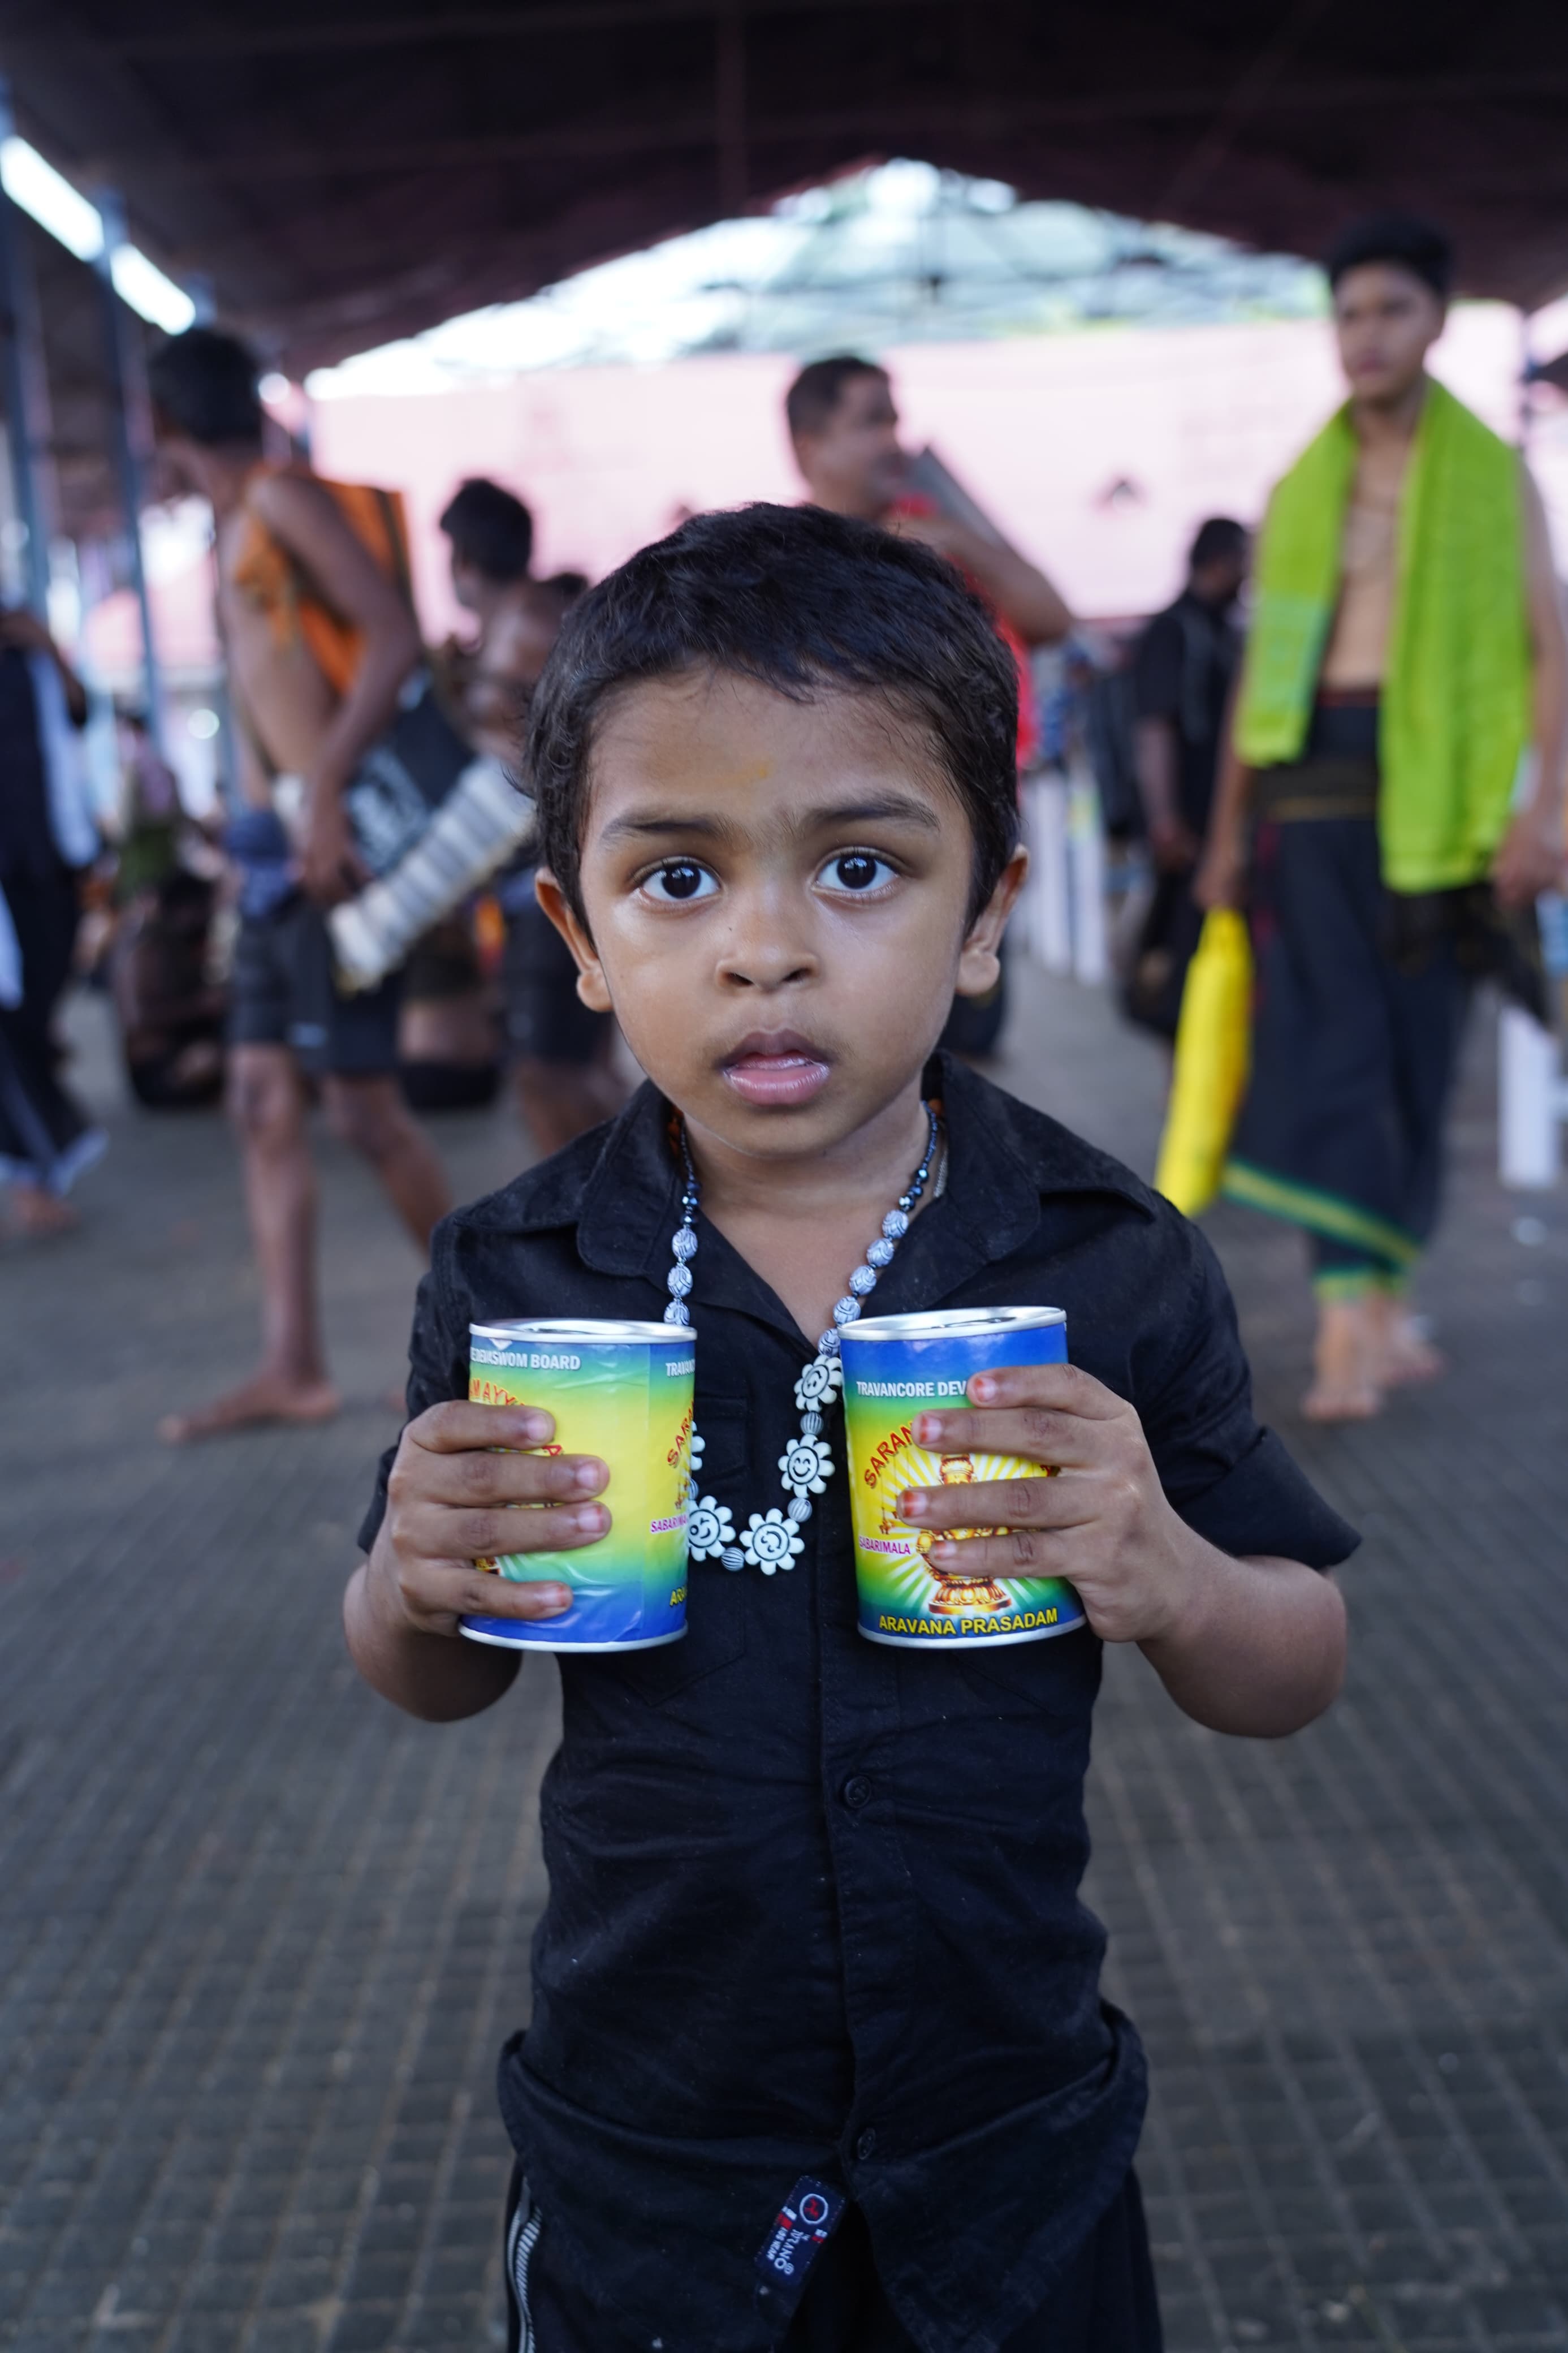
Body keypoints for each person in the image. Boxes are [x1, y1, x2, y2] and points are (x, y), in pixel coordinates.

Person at [347, 504, 1355, 2353]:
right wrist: (409, 1587)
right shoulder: (516, 1273)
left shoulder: (1105, 1263)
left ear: (987, 914)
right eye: (676, 880)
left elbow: (1293, 1659)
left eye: (862, 871)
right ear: (573, 930)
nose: (765, 951)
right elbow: (433, 1677)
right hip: (644, 2143)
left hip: (1009, 2141)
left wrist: (1171, 1575)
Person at [1196, 214, 1568, 1421]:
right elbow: (1262, 675)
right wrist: (1219, 834)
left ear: (1436, 323)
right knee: (1329, 1048)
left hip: (1439, 802)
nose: (1366, 336)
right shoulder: (1304, 483)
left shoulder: (1487, 473)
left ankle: (1384, 1302)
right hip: (1309, 792)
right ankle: (1348, 1319)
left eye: (1391, 311)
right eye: (1350, 314)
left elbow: (1548, 646)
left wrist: (1544, 813)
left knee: (1415, 1049)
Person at [147, 327, 451, 1442]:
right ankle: (293, 1364)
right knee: (262, 1100)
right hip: (278, 865)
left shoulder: (280, 500)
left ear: (162, 428)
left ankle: (498, 1335)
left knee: (366, 1109)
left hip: (335, 851)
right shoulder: (240, 524)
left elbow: (393, 637)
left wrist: (321, 788)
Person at [455, 559, 629, 1155]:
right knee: (573, 1068)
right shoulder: (529, 625)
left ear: (463, 560)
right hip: (542, 877)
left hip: (546, 878)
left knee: (546, 1073)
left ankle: (616, 1207)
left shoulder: (529, 621)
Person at [0, 604, 104, 1239]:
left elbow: (79, 710)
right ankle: (33, 1176)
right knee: (12, 1025)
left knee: (34, 1013)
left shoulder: (26, 645)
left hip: (47, 858)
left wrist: (49, 648)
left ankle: (36, 1168)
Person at [1122, 519, 1249, 1037]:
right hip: (1188, 827)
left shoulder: (1220, 629)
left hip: (1210, 820)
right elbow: (1154, 727)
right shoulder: (1175, 630)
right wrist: (1166, 820)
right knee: (1177, 951)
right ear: (1220, 563)